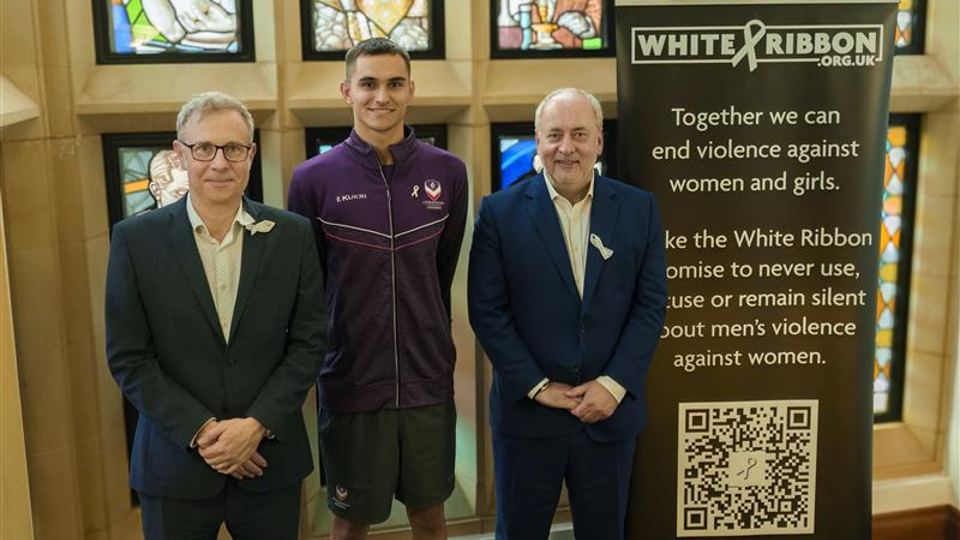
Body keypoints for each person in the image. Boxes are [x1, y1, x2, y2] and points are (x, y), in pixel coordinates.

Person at [105, 91, 327, 540]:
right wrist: (204, 432)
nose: (219, 162)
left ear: (251, 154)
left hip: (269, 461)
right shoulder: (135, 240)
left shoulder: (293, 235)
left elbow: (309, 343)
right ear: (180, 154)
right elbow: (129, 356)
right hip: (175, 465)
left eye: (234, 148)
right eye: (203, 148)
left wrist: (255, 425)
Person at [287, 38, 468, 540]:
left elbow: (441, 271)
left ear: (411, 89)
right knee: (350, 523)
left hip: (427, 381)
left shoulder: (448, 173)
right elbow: (312, 288)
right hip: (350, 384)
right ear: (347, 90)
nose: (380, 96)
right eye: (368, 83)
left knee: (431, 518)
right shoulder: (312, 180)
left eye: (393, 83)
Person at [468, 88, 667, 540]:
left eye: (579, 134)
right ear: (537, 140)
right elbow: (487, 309)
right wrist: (538, 387)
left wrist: (613, 385)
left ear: (599, 140)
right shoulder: (498, 213)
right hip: (528, 416)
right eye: (554, 134)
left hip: (608, 413)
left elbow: (650, 304)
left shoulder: (640, 209)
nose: (566, 147)